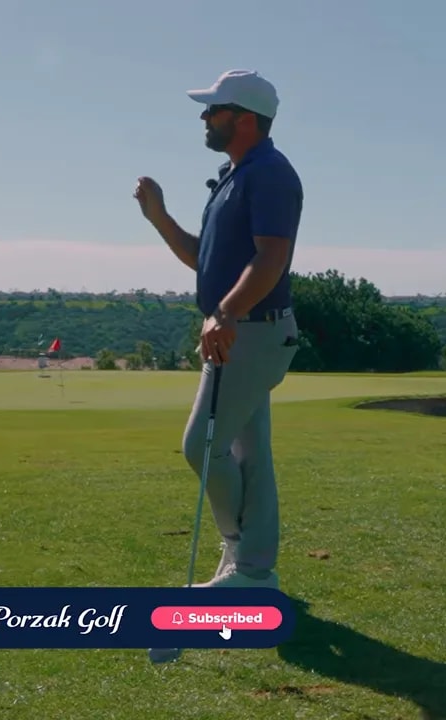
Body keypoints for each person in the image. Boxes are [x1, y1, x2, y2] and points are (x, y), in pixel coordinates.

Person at [133, 69, 302, 590]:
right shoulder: (235, 176)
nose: (204, 118)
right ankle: (254, 571)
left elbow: (272, 257)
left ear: (244, 119)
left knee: (202, 446)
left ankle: (242, 555)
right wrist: (159, 217)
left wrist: (225, 311)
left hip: (250, 330)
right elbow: (203, 260)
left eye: (213, 110)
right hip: (242, 327)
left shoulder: (269, 173)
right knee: (250, 454)